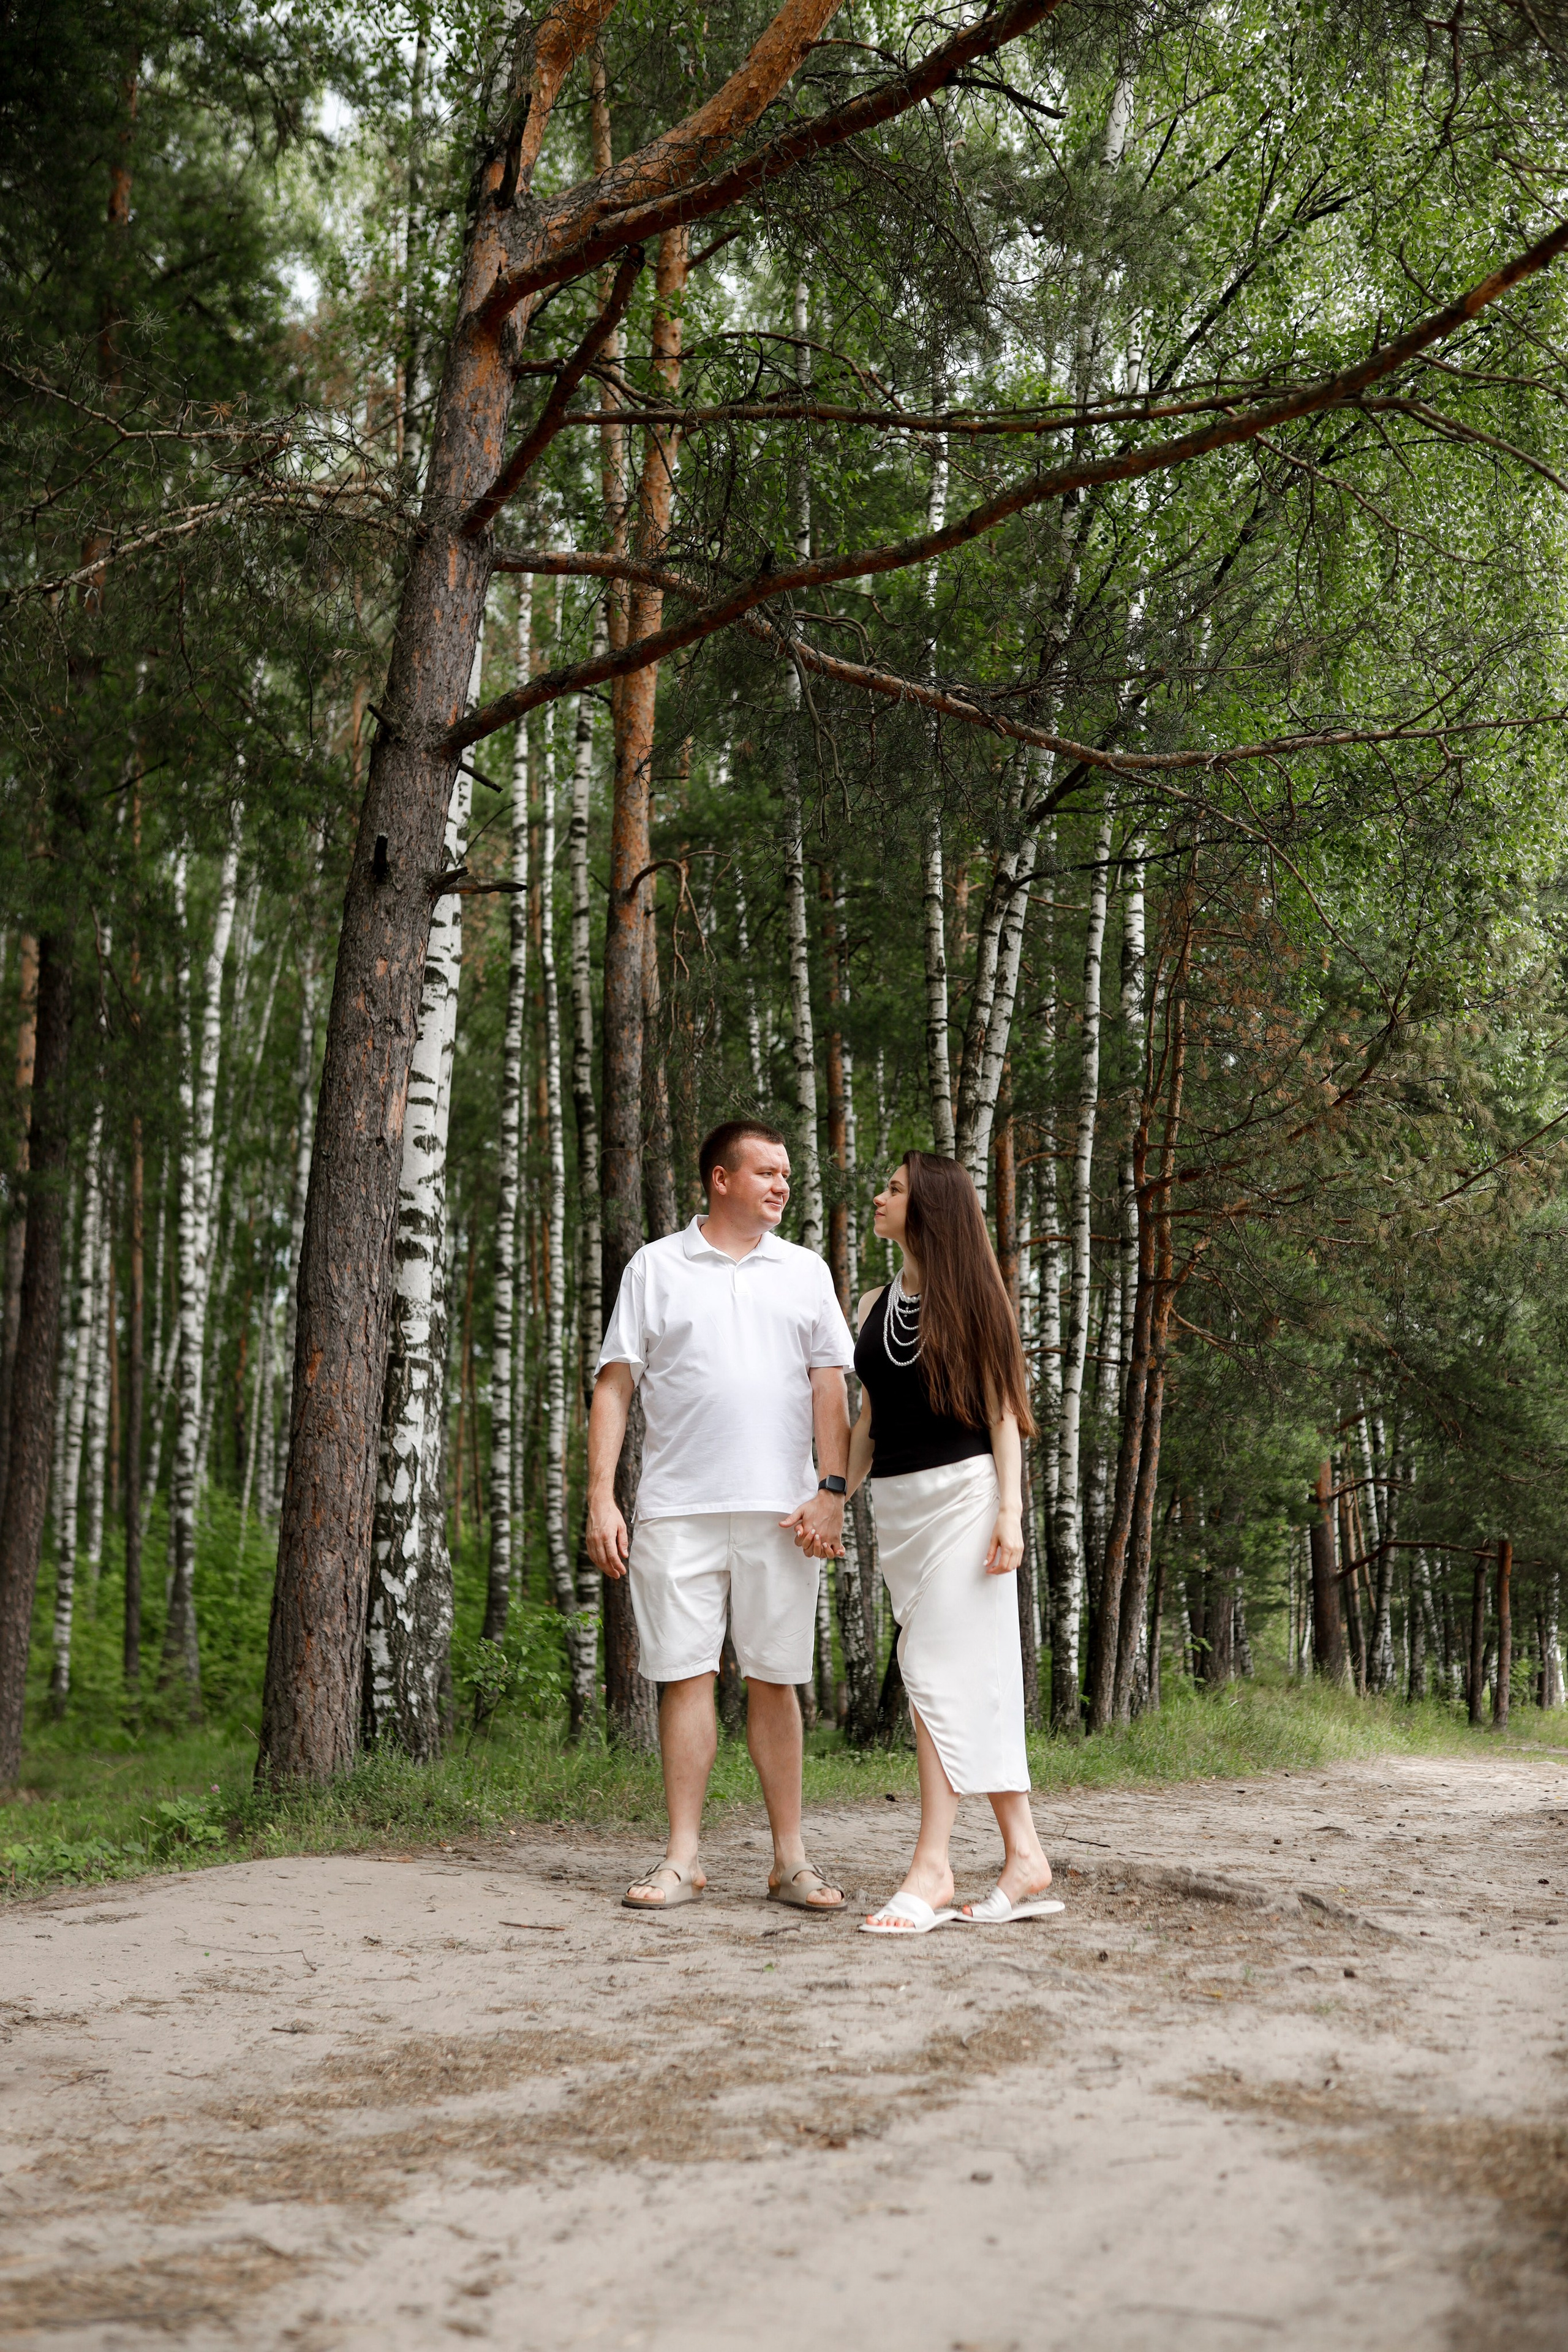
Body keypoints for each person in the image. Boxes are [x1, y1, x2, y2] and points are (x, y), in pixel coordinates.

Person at [586, 1118, 856, 1913]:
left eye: (786, 1174)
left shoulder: (805, 1271)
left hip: (784, 1513)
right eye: (767, 1172)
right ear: (721, 1178)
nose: (782, 1185)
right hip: (677, 1509)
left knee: (776, 1679)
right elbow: (614, 1385)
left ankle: (791, 1862)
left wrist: (832, 1492)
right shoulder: (655, 1266)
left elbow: (830, 1387)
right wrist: (600, 1495)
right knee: (685, 1676)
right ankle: (681, 1859)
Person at [851, 1151, 1060, 1935]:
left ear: (930, 1207)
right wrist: (832, 1493)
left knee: (931, 1672)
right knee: (967, 1681)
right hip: (898, 1509)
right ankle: (1025, 1854)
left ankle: (931, 1868)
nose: (879, 1198)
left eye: (894, 1189)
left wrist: (1010, 1511)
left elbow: (1003, 1414)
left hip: (967, 1501)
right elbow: (868, 1420)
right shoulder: (871, 1304)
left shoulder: (975, 1297)